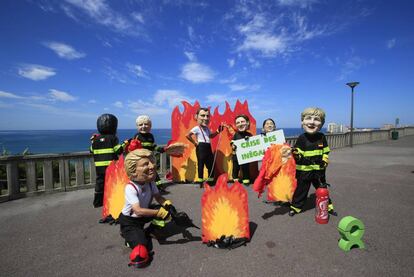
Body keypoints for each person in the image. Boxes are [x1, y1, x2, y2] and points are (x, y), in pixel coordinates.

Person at [119, 148, 175, 268]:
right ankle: (127, 235)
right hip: (130, 220)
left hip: (143, 215)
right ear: (133, 170)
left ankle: (151, 231)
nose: (152, 166)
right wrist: (158, 213)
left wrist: (167, 205)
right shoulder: (131, 188)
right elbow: (138, 210)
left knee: (166, 212)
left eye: (151, 162)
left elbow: (158, 197)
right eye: (145, 164)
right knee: (142, 245)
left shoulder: (150, 182)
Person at [289, 107, 335, 216]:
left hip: (319, 170)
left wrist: (324, 160)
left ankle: (328, 206)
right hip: (304, 171)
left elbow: (325, 151)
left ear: (322, 124)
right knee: (301, 190)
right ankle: (296, 207)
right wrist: (295, 153)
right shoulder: (301, 138)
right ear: (302, 122)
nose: (312, 122)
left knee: (322, 189)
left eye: (317, 119)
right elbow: (298, 154)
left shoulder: (322, 137)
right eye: (308, 118)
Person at [90, 114, 125, 211]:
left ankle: (97, 202)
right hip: (111, 167)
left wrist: (93, 141)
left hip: (99, 168)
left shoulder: (95, 140)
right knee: (112, 185)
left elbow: (91, 150)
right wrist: (125, 144)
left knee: (100, 184)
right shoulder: (113, 138)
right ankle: (113, 201)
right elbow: (118, 150)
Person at [186, 108, 223, 184]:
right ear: (196, 116)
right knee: (201, 164)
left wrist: (218, 131)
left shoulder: (207, 128)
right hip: (201, 147)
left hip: (208, 147)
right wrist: (195, 142)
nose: (206, 118)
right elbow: (188, 135)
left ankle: (211, 180)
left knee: (211, 164)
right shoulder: (196, 128)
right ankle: (200, 181)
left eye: (207, 116)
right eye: (203, 115)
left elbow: (211, 136)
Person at [132, 115, 167, 191]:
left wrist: (160, 149)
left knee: (154, 172)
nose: (143, 126)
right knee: (141, 173)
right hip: (140, 159)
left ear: (150, 126)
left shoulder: (151, 136)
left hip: (149, 158)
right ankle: (140, 188)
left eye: (146, 124)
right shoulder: (137, 136)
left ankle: (159, 187)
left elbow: (153, 146)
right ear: (137, 127)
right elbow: (133, 147)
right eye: (140, 125)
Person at [231, 114, 253, 185]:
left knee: (245, 167)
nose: (240, 124)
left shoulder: (249, 135)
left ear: (247, 123)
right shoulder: (236, 134)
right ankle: (235, 178)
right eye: (238, 123)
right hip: (236, 155)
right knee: (235, 167)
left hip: (245, 156)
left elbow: (254, 144)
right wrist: (233, 145)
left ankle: (246, 178)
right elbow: (232, 142)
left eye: (242, 122)